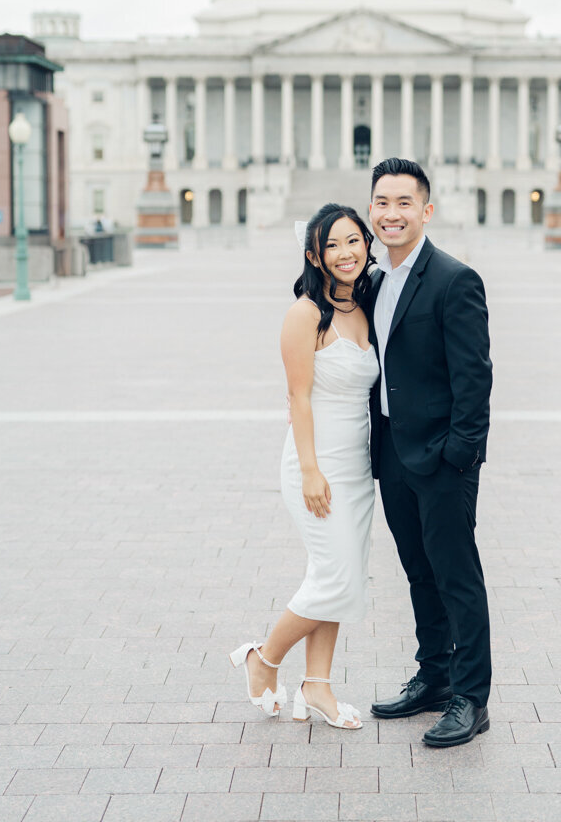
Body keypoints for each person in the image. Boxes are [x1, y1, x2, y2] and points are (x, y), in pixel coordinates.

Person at [230, 203, 379, 729]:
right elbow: (298, 400)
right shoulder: (304, 313)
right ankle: (263, 660)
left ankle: (317, 687)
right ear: (314, 255)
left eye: (353, 241)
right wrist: (312, 471)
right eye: (333, 245)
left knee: (334, 577)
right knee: (337, 578)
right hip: (314, 463)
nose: (346, 253)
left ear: (366, 243)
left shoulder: (366, 306)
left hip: (357, 467)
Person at [368, 158, 493, 747]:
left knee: (456, 576)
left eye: (403, 203)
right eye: (382, 203)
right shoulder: (372, 280)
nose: (392, 214)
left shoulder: (453, 278)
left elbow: (475, 379)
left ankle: (471, 696)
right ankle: (435, 677)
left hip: (442, 458)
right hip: (392, 452)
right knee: (418, 572)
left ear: (425, 210)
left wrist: (460, 455)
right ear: (372, 210)